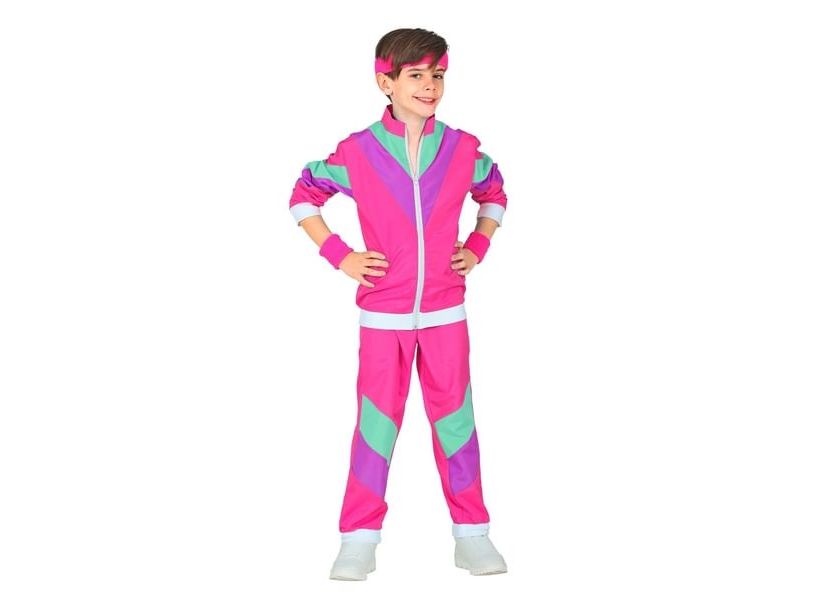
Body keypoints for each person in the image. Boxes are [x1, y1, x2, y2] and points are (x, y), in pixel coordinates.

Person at [288, 27, 509, 580]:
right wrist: (341, 255)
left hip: (445, 313)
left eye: (438, 75)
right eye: (416, 75)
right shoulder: (358, 152)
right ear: (385, 82)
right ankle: (358, 540)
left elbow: (494, 192)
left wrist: (477, 246)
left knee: (456, 424)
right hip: (383, 316)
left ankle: (472, 535)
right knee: (376, 427)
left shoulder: (462, 149)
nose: (430, 85)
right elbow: (303, 196)